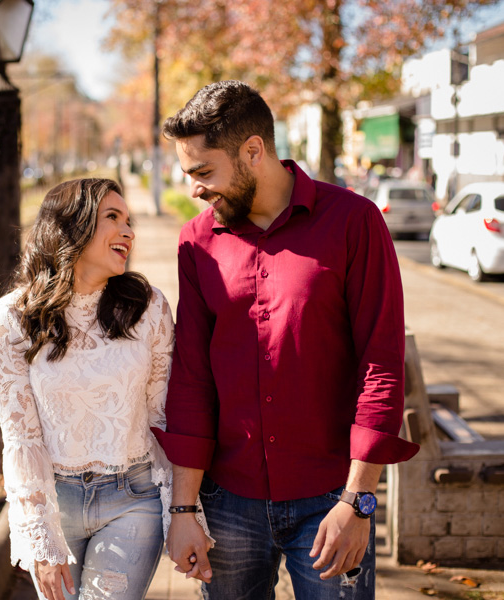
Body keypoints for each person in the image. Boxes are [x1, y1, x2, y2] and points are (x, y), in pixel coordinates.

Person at [153, 81, 420, 600]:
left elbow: (381, 365)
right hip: (227, 500)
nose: (195, 190)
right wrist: (184, 510)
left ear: (254, 150)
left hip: (331, 501)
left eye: (204, 172)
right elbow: (191, 375)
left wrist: (358, 503)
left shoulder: (354, 221)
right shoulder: (196, 242)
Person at [0, 178, 209, 600]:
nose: (128, 232)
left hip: (134, 498)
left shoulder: (148, 307)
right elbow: (21, 437)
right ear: (72, 227)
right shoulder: (13, 318)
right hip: (56, 501)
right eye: (113, 218)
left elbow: (163, 414)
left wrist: (183, 511)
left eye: (130, 221)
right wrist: (39, 538)